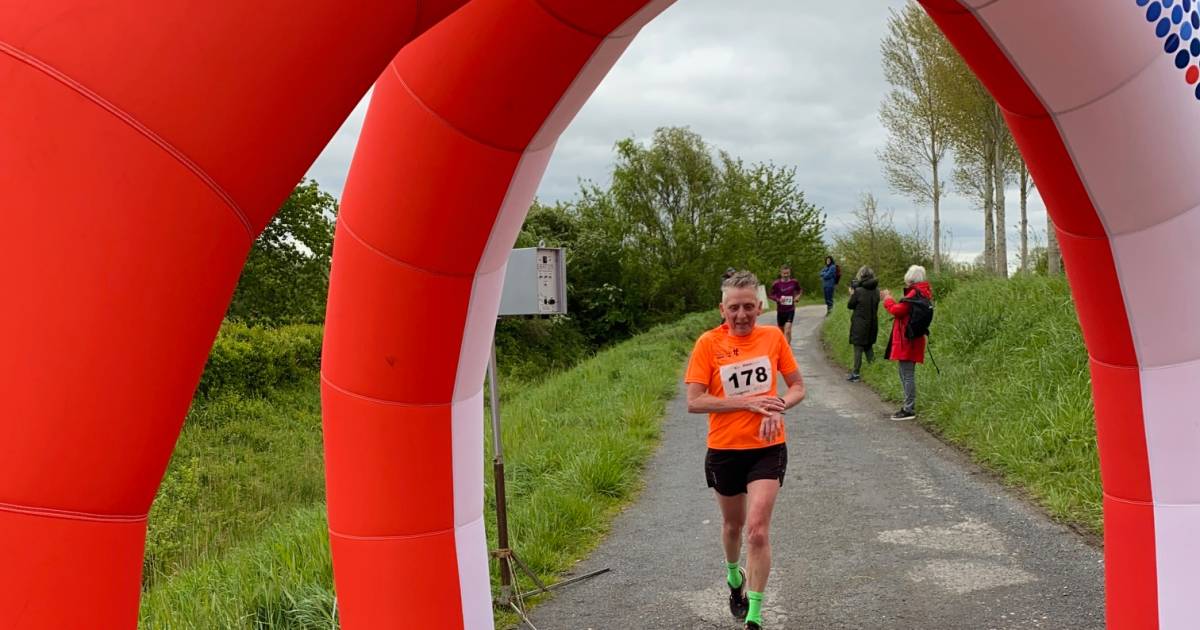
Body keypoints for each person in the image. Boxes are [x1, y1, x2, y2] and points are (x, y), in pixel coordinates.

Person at [685, 271, 806, 630]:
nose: (742, 315)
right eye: (734, 308)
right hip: (724, 448)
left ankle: (754, 615)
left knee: (757, 530)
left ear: (759, 306)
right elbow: (694, 402)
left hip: (767, 447)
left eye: (749, 307)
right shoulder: (707, 344)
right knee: (733, 526)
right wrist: (748, 404)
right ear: (722, 309)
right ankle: (733, 576)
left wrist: (779, 404)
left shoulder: (771, 338)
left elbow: (798, 386)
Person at [881, 265, 932, 420]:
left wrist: (888, 299)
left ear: (910, 278)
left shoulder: (914, 293)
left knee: (907, 374)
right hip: (914, 338)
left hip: (908, 340)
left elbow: (898, 310)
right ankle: (908, 406)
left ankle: (908, 409)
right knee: (905, 372)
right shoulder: (923, 292)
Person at [845, 266, 880, 382]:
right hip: (873, 323)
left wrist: (852, 294)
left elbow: (850, 305)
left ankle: (855, 373)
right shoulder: (877, 290)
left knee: (858, 348)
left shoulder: (859, 291)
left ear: (861, 276)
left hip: (860, 323)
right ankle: (875, 371)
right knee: (868, 347)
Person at [767, 265, 803, 345]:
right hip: (780, 310)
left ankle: (787, 349)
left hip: (790, 310)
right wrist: (777, 299)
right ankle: (784, 346)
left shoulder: (794, 282)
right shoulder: (776, 284)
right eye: (784, 273)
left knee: (788, 330)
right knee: (781, 332)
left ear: (790, 273)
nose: (786, 275)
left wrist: (797, 297)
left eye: (787, 273)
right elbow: (770, 294)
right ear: (781, 273)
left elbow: (800, 290)